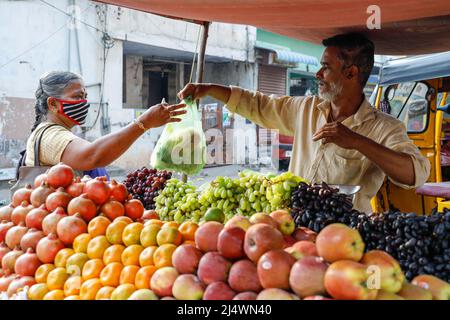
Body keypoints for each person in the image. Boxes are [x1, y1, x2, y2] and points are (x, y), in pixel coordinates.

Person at [178, 33, 431, 213]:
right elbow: (260, 105)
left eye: (325, 67)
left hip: (343, 237)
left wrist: (356, 142)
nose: (317, 74)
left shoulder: (383, 127)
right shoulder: (307, 109)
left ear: (351, 73)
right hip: (295, 225)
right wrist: (210, 88)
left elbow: (415, 174)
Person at [25, 71, 186, 178]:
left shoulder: (59, 133)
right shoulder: (50, 135)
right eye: (77, 97)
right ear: (53, 104)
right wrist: (144, 122)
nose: (84, 103)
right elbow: (92, 156)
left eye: (85, 97)